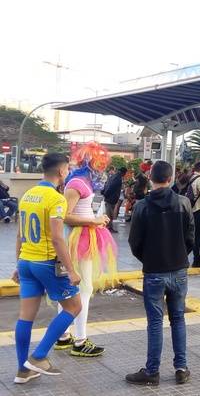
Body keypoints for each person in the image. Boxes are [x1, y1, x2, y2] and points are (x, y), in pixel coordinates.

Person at [12, 153, 83, 384]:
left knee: (25, 317)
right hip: (46, 262)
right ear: (62, 172)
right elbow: (56, 238)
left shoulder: (27, 195)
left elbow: (20, 235)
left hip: (26, 263)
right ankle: (39, 356)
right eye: (68, 169)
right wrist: (71, 269)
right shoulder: (56, 199)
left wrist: (17, 264)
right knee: (74, 306)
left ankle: (23, 370)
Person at [126, 160, 194, 386]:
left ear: (151, 179)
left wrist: (150, 258)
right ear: (171, 178)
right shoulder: (183, 202)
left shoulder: (141, 206)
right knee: (178, 318)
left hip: (154, 271)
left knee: (155, 322)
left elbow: (134, 242)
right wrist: (179, 255)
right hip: (179, 270)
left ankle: (152, 371)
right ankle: (181, 368)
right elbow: (191, 236)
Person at [55, 142, 117, 357]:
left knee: (72, 288)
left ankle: (63, 336)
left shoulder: (80, 181)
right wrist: (94, 221)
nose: (102, 168)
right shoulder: (78, 183)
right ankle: (80, 340)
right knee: (84, 289)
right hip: (79, 239)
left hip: (82, 237)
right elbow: (65, 215)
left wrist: (96, 220)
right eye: (100, 164)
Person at [186, 162, 200, 268]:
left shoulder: (189, 177)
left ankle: (190, 258)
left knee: (189, 235)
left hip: (189, 210)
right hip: (198, 210)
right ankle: (196, 259)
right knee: (198, 237)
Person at [102, 167, 127, 233]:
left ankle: (109, 227)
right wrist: (106, 194)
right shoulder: (118, 178)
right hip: (111, 198)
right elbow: (111, 187)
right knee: (109, 214)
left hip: (109, 197)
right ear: (123, 173)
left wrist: (104, 193)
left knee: (109, 213)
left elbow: (107, 184)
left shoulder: (114, 176)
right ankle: (109, 227)